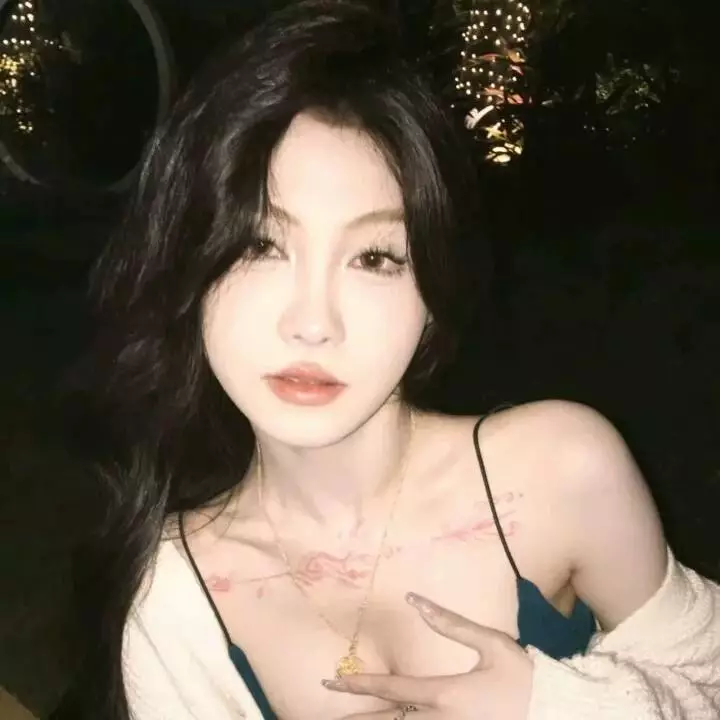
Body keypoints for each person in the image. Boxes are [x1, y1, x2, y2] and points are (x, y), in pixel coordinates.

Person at [58, 2, 719, 719]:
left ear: (433, 292)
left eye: (375, 258)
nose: (313, 324)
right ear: (188, 271)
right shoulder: (174, 601)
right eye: (259, 246)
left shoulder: (557, 471)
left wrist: (556, 704)